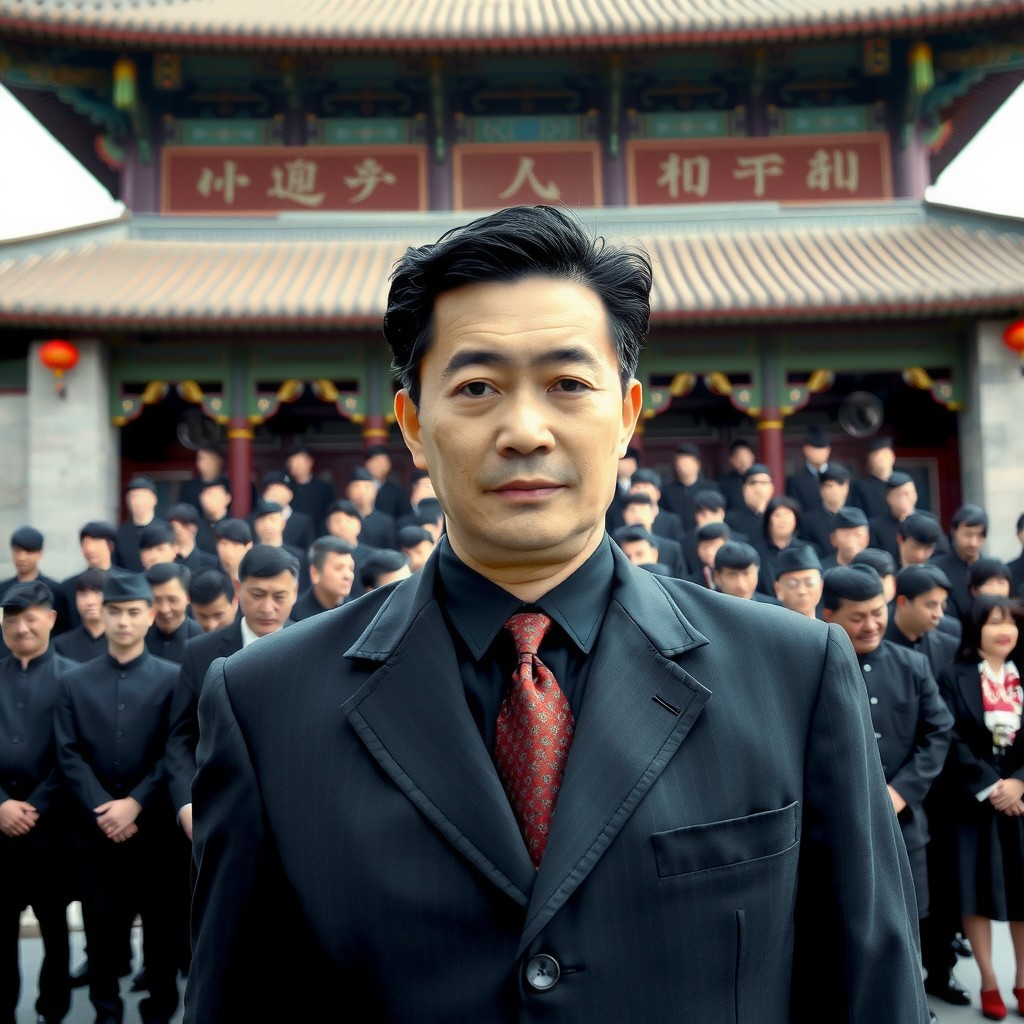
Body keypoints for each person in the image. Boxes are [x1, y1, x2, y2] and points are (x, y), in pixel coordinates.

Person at [185, 204, 930, 1023]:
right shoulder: (268, 705)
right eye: (476, 388)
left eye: (569, 384)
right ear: (412, 424)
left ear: (627, 415)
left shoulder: (791, 676)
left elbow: (873, 993)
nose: (524, 430)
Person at [55, 573, 190, 1024]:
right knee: (100, 929)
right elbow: (68, 752)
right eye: (116, 612)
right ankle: (105, 1011)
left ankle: (160, 1010)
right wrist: (103, 807)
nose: (124, 621)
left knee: (162, 931)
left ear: (150, 616)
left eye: (134, 612)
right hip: (95, 834)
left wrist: (135, 801)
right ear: (103, 615)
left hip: (154, 833)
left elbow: (174, 749)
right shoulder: (74, 681)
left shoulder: (174, 679)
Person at [822, 563, 953, 994]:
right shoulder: (813, 662)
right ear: (829, 615)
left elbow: (938, 731)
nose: (871, 625)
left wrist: (902, 791)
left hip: (904, 820)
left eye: (877, 612)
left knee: (909, 916)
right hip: (835, 820)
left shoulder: (912, 664)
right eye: (857, 617)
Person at [938, 595, 1024, 1021]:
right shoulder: (954, 675)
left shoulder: (1023, 673)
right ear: (976, 630)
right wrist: (991, 785)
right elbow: (949, 736)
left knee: (1022, 894)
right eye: (994, 622)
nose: (1004, 630)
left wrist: (1019, 782)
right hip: (974, 804)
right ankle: (989, 980)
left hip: (1021, 803)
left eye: (1010, 623)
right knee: (977, 891)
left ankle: (1023, 980)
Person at [0, 581, 74, 1024]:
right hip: (0, 832)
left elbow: (74, 752)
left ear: (50, 619)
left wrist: (34, 806)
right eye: (12, 620)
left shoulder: (72, 677)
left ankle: (54, 1012)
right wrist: (2, 804)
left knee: (55, 932)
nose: (22, 628)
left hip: (52, 833)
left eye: (31, 618)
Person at [0, 525, 70, 635]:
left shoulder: (55, 590)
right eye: (17, 551)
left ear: (40, 554)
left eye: (28, 552)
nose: (22, 558)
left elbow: (63, 629)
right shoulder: (2, 589)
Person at [931, 504, 990, 622]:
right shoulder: (936, 569)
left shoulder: (989, 569)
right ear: (954, 532)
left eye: (980, 536)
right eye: (968, 535)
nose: (973, 542)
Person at [145, 562, 202, 664]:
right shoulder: (138, 637)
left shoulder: (202, 639)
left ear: (188, 597)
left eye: (172, 600)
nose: (164, 609)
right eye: (156, 600)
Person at [619, 492, 686, 576]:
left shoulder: (671, 548)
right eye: (633, 510)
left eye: (643, 509)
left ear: (654, 513)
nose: (638, 515)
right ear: (624, 515)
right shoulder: (615, 544)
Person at [291, 536, 356, 620]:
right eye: (338, 568)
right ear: (315, 573)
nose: (348, 575)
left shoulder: (359, 612)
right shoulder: (293, 614)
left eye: (351, 569)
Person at [53, 568, 108, 663]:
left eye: (98, 593)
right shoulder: (60, 645)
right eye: (83, 594)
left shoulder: (123, 642)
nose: (90, 601)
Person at [115, 476, 168, 574]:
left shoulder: (166, 529)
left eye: (141, 496)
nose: (137, 501)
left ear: (154, 499)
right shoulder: (120, 533)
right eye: (132, 497)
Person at [800, 463, 853, 559]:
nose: (835, 490)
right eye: (830, 486)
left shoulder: (856, 517)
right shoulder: (808, 521)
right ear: (821, 489)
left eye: (840, 485)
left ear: (847, 487)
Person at [755, 495, 803, 597]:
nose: (783, 520)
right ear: (768, 520)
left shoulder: (806, 550)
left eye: (787, 515)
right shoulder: (756, 552)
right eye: (777, 515)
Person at [260, 470, 317, 553]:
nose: (275, 494)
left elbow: (309, 551)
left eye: (279, 489)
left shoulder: (303, 521)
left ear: (291, 494)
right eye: (271, 489)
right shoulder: (253, 520)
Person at [284, 445, 335, 537]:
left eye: (298, 462)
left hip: (316, 535)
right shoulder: (285, 488)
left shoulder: (323, 489)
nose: (294, 466)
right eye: (291, 462)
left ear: (309, 462)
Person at [870, 470, 919, 564]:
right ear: (888, 498)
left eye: (907, 494)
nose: (904, 499)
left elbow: (940, 554)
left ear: (915, 494)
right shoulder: (876, 527)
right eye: (898, 495)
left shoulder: (929, 521)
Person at [345, 467, 397, 550]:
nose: (361, 491)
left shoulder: (386, 522)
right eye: (356, 486)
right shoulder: (341, 520)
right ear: (348, 491)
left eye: (367, 487)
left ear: (375, 491)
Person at [659, 442, 707, 532]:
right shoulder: (667, 491)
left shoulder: (710, 489)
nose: (683, 466)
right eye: (680, 461)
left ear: (697, 464)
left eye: (687, 461)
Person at [713, 540, 779, 604]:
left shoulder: (772, 609)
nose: (741, 585)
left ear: (757, 573)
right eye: (732, 575)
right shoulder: (704, 610)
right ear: (717, 577)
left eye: (746, 574)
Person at [785, 425, 831, 514]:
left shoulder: (840, 476)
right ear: (806, 450)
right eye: (815, 449)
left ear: (828, 450)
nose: (819, 453)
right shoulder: (795, 480)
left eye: (822, 449)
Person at [364, 444, 414, 523]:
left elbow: (406, 517)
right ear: (367, 464)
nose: (380, 465)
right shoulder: (358, 487)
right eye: (377, 461)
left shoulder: (398, 491)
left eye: (384, 461)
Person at [724, 462, 774, 540]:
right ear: (744, 489)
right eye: (753, 483)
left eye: (763, 483)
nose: (758, 488)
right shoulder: (731, 519)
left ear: (771, 488)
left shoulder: (778, 517)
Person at [772, 544, 824, 619]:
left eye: (809, 583)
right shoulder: (769, 629)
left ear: (820, 586)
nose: (802, 591)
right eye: (792, 585)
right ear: (778, 589)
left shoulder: (830, 629)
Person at [852, 435, 897, 520]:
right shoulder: (861, 487)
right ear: (869, 461)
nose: (881, 459)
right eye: (876, 455)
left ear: (893, 456)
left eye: (885, 454)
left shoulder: (902, 483)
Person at [165, 503, 218, 574]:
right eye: (173, 525)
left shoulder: (212, 563)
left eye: (184, 524)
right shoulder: (161, 559)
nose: (177, 529)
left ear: (194, 528)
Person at [179, 444, 227, 517]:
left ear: (219, 461)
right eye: (201, 459)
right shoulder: (189, 487)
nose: (205, 463)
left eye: (210, 459)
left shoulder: (228, 486)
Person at [186, 569, 238, 634]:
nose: (211, 626)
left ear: (235, 601)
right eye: (203, 616)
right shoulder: (187, 639)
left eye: (218, 615)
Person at [821, 505, 871, 569]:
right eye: (845, 535)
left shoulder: (877, 569)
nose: (851, 542)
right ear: (833, 539)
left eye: (857, 535)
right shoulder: (822, 571)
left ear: (867, 538)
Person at [716, 438, 755, 512]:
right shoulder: (723, 483)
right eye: (739, 457)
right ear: (731, 459)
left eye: (746, 456)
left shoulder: (759, 480)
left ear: (752, 457)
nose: (743, 461)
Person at [212, 518, 252, 584]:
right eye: (224, 544)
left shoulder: (255, 576)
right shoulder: (211, 575)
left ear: (248, 546)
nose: (228, 551)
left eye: (235, 545)